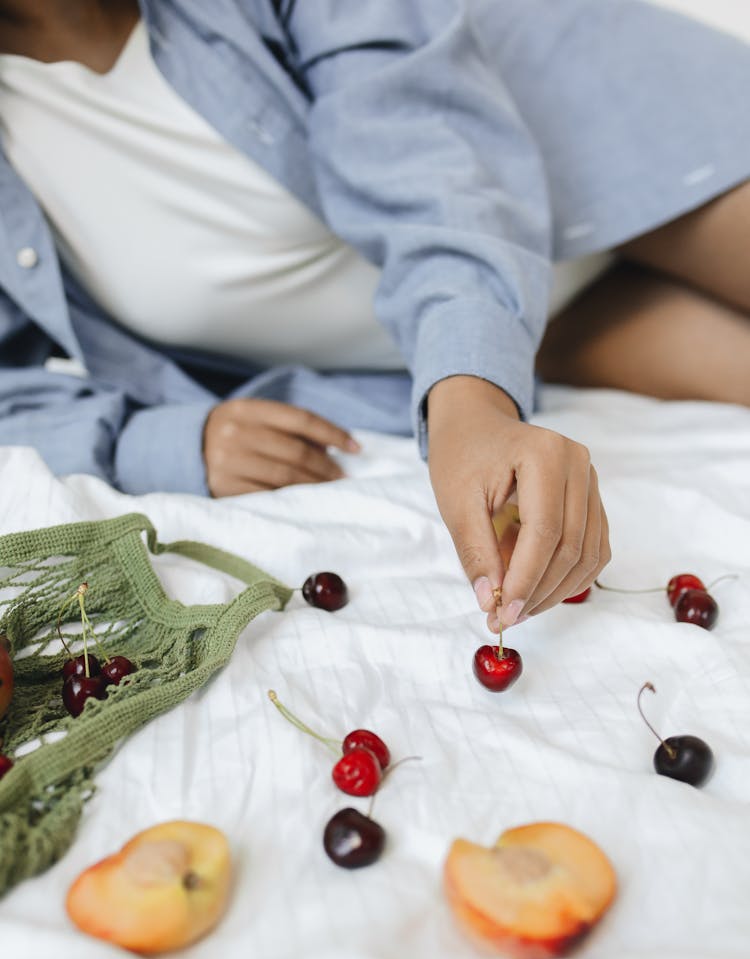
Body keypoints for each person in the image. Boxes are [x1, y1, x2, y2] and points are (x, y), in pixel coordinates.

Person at [0, 1, 747, 635]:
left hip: (592, 144)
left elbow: (432, 166)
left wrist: (471, 398)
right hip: (539, 330)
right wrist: (157, 440)